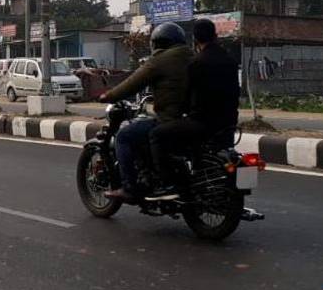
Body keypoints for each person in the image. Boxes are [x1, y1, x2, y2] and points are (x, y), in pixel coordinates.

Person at [98, 22, 192, 202]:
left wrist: (108, 96)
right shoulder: (192, 56)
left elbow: (132, 83)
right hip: (191, 118)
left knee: (124, 136)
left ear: (157, 43)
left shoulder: (160, 60)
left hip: (169, 118)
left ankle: (129, 188)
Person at [149, 18, 241, 197]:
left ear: (195, 39)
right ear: (215, 36)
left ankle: (168, 183)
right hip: (229, 123)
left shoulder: (197, 63)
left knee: (157, 134)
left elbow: (187, 96)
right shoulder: (230, 60)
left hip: (202, 124)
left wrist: (177, 110)